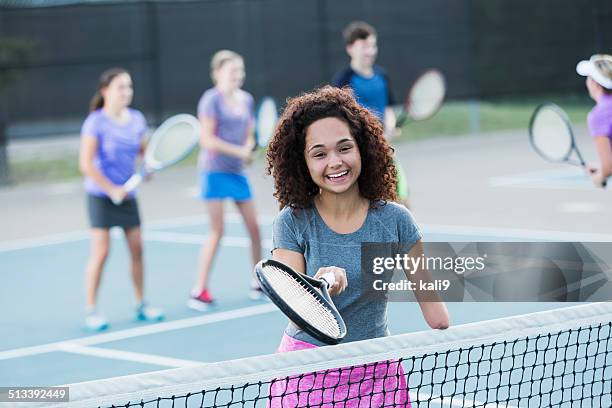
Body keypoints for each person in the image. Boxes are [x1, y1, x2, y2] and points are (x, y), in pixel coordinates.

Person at [265, 86, 449, 407]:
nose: (335, 162)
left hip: (378, 373)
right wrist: (318, 291)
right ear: (302, 162)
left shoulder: (396, 220)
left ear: (363, 148)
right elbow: (296, 312)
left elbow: (437, 316)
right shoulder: (292, 222)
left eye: (344, 148)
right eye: (319, 153)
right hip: (307, 375)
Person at [79, 68, 163, 332]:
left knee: (137, 249)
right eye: (120, 87)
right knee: (101, 252)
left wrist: (147, 169)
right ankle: (91, 309)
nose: (126, 92)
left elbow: (144, 153)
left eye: (129, 87)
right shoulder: (95, 122)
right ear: (105, 91)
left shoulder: (136, 119)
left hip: (128, 195)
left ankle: (141, 303)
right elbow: (86, 164)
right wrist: (111, 189)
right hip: (100, 195)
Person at [188, 50, 262, 311]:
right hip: (213, 171)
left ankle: (258, 281)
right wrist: (238, 151)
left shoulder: (246, 99)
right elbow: (207, 140)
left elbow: (250, 134)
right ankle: (199, 289)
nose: (237, 75)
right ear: (217, 73)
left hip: (237, 172)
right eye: (232, 71)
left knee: (254, 229)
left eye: (240, 70)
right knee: (217, 230)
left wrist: (248, 149)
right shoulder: (210, 100)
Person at [331, 21, 411, 208]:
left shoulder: (382, 76)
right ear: (350, 48)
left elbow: (388, 108)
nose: (370, 51)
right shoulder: (344, 80)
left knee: (404, 202)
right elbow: (338, 118)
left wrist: (389, 127)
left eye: (373, 46)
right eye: (364, 47)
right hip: (359, 155)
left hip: (383, 150)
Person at [576, 54, 612, 188]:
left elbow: (608, 168)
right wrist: (601, 166)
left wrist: (600, 175)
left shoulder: (599, 115)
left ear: (594, 83)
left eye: (588, 78)